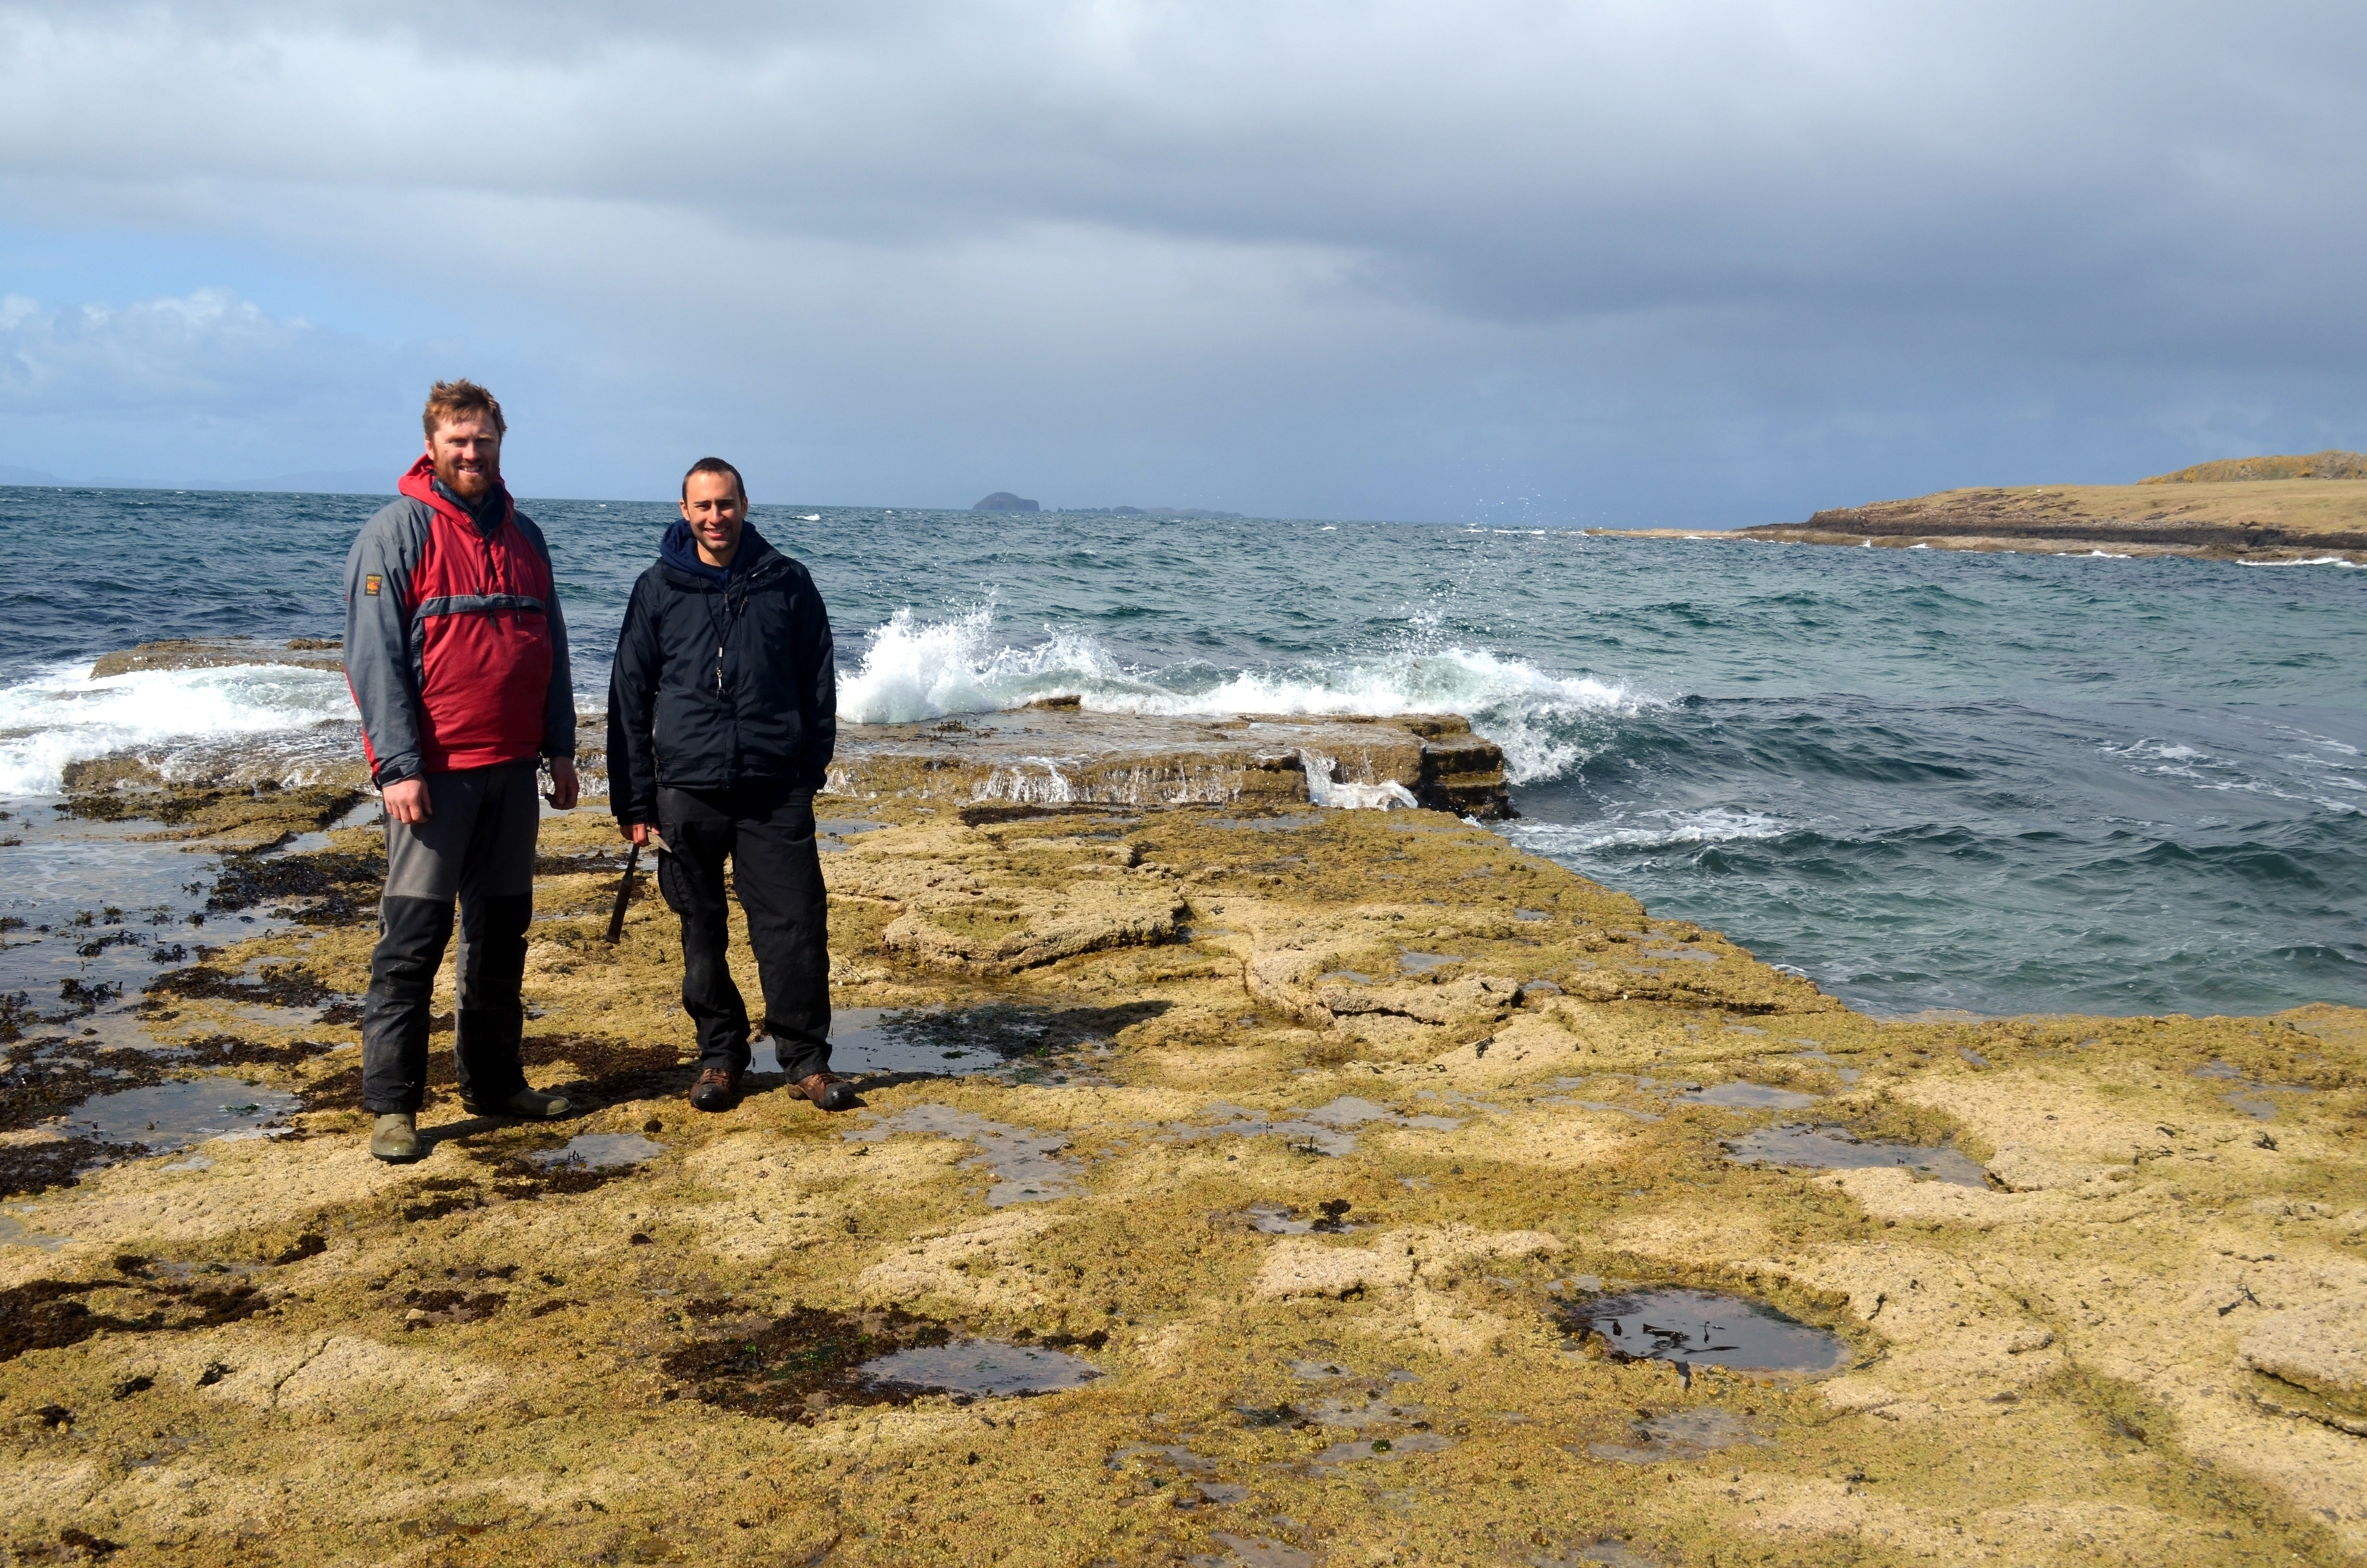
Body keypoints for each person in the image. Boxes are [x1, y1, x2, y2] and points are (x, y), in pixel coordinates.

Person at [343, 380, 579, 1162]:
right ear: (433, 444)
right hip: (433, 780)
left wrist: (561, 748)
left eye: (483, 440)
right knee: (412, 940)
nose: (471, 453)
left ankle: (495, 1082)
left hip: (513, 773)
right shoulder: (396, 534)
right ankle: (393, 1108)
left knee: (502, 934)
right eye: (458, 440)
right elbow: (372, 659)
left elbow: (550, 649)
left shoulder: (527, 537)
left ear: (500, 442)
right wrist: (398, 769)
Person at [606, 457, 851, 1114]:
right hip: (685, 789)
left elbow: (818, 683)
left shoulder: (787, 583)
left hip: (774, 788)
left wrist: (808, 770)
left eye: (725, 504)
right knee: (700, 930)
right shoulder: (658, 587)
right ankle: (720, 1056)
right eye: (702, 506)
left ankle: (805, 1060)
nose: (715, 517)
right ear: (683, 511)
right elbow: (629, 696)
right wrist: (632, 800)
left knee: (796, 926)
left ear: (745, 504)